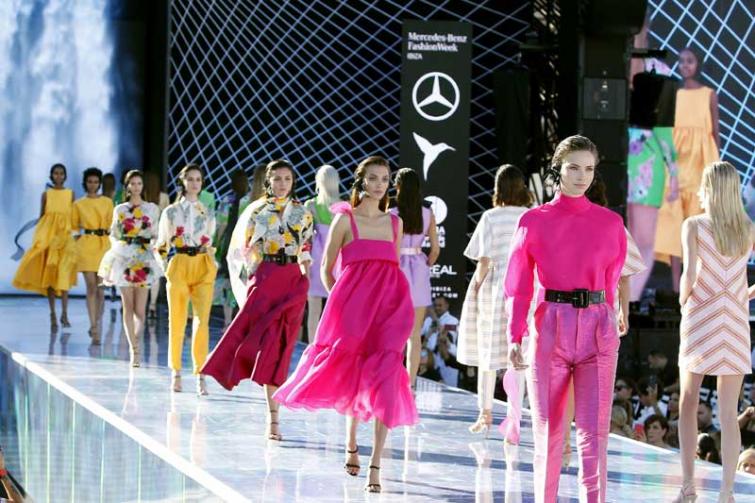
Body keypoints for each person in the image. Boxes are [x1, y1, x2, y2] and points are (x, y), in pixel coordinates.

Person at [274, 156, 418, 493]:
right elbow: (326, 269)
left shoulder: (395, 223)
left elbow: (393, 269)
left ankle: (376, 463)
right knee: (355, 373)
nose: (380, 184)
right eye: (373, 178)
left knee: (386, 378)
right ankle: (351, 441)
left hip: (390, 311)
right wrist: (340, 304)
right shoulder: (345, 219)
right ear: (361, 181)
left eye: (385, 179)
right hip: (352, 313)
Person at [506, 135, 626, 503]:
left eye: (589, 168)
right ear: (557, 169)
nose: (582, 176)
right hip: (549, 329)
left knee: (595, 435)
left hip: (598, 329)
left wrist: (613, 315)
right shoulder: (533, 220)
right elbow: (518, 285)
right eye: (574, 167)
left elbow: (612, 281)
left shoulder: (611, 223)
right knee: (548, 433)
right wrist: (514, 336)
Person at [202, 160, 313, 433]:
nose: (282, 183)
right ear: (268, 181)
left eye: (287, 178)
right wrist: (256, 276)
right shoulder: (258, 212)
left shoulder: (303, 212)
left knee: (283, 347)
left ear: (293, 181)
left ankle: (273, 414)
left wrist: (306, 278)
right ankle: (273, 416)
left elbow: (306, 248)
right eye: (277, 178)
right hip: (266, 279)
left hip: (293, 281)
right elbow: (247, 249)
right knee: (267, 343)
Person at [675, 161, 753, 503]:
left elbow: (689, 274)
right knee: (729, 413)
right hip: (734, 321)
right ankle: (726, 492)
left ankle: (688, 487)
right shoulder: (747, 229)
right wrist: (745, 294)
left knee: (688, 402)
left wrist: (683, 300)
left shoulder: (694, 225)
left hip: (701, 317)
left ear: (708, 189)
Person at [458, 164, 532, 435]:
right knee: (519, 354)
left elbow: (484, 260)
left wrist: (477, 286)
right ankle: (514, 417)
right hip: (524, 286)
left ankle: (485, 413)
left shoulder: (491, 217)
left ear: (498, 188)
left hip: (495, 286)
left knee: (488, 352)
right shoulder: (530, 215)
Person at [655, 47, 721, 291]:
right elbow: (667, 132)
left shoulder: (709, 94)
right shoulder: (674, 93)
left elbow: (715, 132)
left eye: (690, 61)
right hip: (677, 165)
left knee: (700, 224)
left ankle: (699, 285)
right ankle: (677, 287)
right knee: (675, 225)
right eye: (681, 61)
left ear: (698, 64)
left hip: (701, 165)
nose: (685, 65)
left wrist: (717, 167)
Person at [155, 164, 217, 395]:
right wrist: (166, 268)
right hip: (179, 263)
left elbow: (210, 240)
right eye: (190, 179)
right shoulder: (170, 212)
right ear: (183, 182)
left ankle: (201, 374)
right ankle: (176, 372)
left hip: (202, 264)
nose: (194, 183)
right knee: (177, 320)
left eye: (198, 179)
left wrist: (212, 262)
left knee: (202, 322)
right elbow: (161, 244)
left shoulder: (207, 212)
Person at [98, 170, 160, 365]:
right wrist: (117, 248)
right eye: (132, 183)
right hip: (124, 257)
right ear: (127, 186)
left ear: (143, 186)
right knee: (128, 306)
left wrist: (153, 247)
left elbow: (156, 233)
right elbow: (114, 233)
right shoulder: (120, 209)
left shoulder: (152, 209)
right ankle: (134, 349)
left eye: (139, 183)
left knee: (140, 310)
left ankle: (136, 342)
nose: (136, 187)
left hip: (144, 258)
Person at [390, 168, 440, 388]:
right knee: (415, 334)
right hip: (419, 268)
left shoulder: (391, 212)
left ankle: (391, 380)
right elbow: (435, 250)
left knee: (393, 332)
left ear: (397, 186)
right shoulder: (427, 212)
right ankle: (410, 385)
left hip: (396, 269)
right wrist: (426, 263)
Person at [12, 163, 77, 331]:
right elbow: (42, 216)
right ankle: (53, 313)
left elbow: (73, 216)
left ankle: (65, 313)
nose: (58, 176)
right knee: (49, 274)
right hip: (49, 237)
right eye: (56, 173)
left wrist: (75, 234)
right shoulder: (46, 194)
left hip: (65, 238)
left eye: (61, 173)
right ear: (51, 175)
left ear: (65, 176)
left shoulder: (70, 194)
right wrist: (39, 239)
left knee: (64, 274)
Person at [72, 167, 114, 343]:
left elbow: (112, 224)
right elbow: (74, 227)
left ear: (100, 183)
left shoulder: (107, 202)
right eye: (90, 181)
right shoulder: (78, 204)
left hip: (104, 245)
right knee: (91, 287)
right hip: (86, 245)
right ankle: (94, 326)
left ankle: (97, 322)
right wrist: (76, 243)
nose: (93, 185)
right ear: (85, 183)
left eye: (96, 182)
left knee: (100, 289)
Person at [304, 165, 341, 342]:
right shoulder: (343, 206)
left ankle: (312, 346)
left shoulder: (311, 205)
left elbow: (306, 235)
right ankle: (330, 345)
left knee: (313, 310)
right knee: (336, 309)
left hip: (316, 257)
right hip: (337, 257)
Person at [212, 169, 251, 329]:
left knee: (228, 282)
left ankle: (227, 320)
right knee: (243, 281)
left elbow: (220, 225)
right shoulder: (250, 201)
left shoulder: (226, 200)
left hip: (228, 244)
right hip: (244, 246)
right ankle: (240, 319)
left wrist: (216, 245)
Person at [143, 171, 170, 319]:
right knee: (156, 274)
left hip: (144, 239)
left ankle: (143, 304)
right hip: (159, 239)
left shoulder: (142, 196)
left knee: (143, 273)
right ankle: (152, 305)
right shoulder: (163, 197)